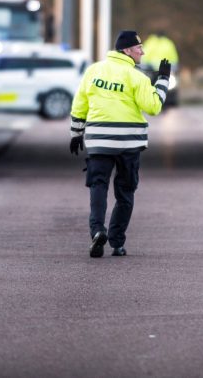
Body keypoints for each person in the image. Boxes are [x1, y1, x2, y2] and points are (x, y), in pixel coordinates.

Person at [70, 30, 171, 258]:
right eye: (139, 48)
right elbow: (154, 107)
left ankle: (97, 231)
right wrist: (163, 79)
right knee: (125, 192)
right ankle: (117, 243)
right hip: (128, 144)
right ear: (127, 50)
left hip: (99, 141)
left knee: (98, 187)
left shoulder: (93, 70)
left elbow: (80, 104)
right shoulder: (137, 77)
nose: (143, 52)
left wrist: (76, 133)